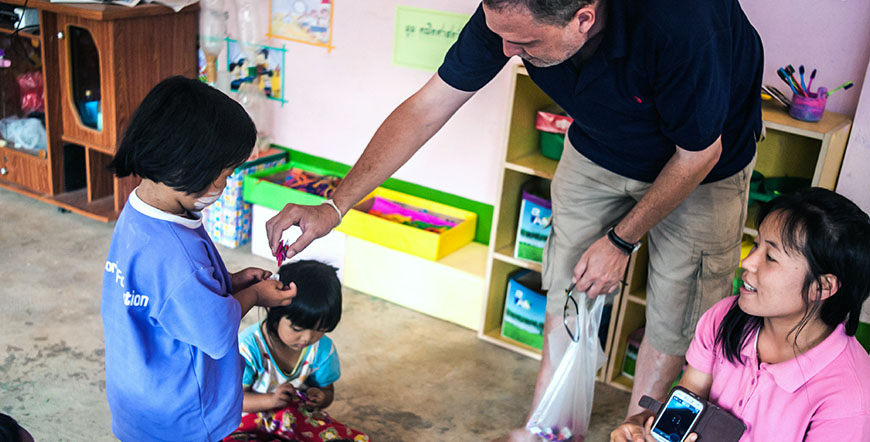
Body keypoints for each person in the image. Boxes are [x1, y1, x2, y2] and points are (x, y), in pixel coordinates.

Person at [265, 0, 763, 438]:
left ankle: (637, 433)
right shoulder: (509, 15)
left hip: (702, 169)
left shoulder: (681, 23)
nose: (503, 51)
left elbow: (698, 155)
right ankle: (548, 428)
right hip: (598, 148)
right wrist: (334, 205)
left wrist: (621, 240)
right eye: (499, 35)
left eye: (523, 43)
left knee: (675, 318)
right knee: (567, 289)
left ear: (583, 18)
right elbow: (426, 108)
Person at [101, 76, 296, 441]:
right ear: (186, 166)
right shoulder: (178, 257)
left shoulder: (141, 213)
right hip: (183, 416)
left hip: (141, 397)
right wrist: (254, 296)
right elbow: (214, 331)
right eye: (225, 175)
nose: (225, 185)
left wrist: (231, 282)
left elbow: (167, 298)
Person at [611, 187, 870, 442]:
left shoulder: (849, 398)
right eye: (756, 245)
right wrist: (644, 424)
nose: (747, 262)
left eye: (770, 257)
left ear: (822, 287)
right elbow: (688, 399)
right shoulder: (725, 316)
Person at [223, 260, 369, 442]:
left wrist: (321, 397)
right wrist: (271, 400)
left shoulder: (322, 350)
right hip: (250, 420)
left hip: (295, 417)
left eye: (320, 329)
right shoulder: (249, 347)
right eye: (297, 328)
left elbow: (327, 391)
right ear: (273, 307)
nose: (307, 338)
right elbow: (234, 400)